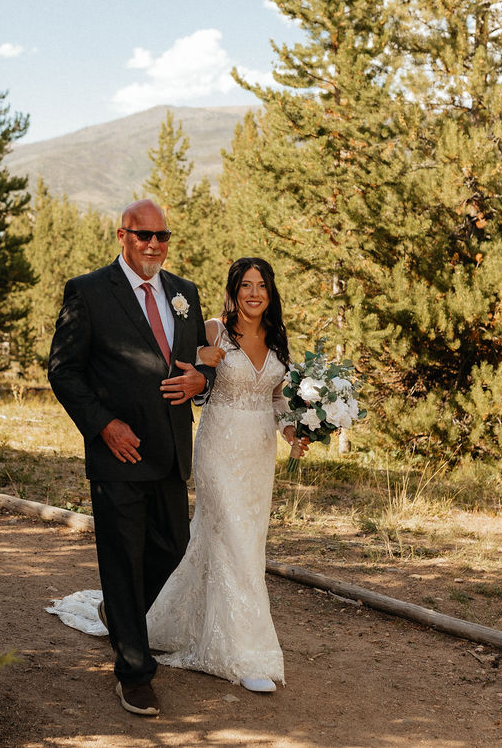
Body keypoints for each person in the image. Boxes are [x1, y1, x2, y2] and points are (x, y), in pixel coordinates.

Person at [47, 199, 215, 717]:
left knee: (170, 553)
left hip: (170, 455)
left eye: (161, 236)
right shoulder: (89, 291)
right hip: (117, 452)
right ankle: (134, 673)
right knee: (122, 559)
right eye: (143, 235)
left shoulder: (185, 294)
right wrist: (104, 425)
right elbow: (63, 371)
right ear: (121, 236)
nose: (153, 245)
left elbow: (195, 367)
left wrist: (200, 382)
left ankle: (123, 620)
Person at [145, 256, 307, 694]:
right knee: (234, 537)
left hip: (258, 453)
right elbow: (184, 365)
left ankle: (162, 623)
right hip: (218, 448)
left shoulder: (276, 338)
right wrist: (199, 358)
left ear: (270, 293)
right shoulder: (214, 329)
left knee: (240, 542)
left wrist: (294, 432)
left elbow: (276, 400)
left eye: (261, 286)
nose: (254, 293)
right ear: (234, 291)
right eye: (245, 286)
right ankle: (247, 654)